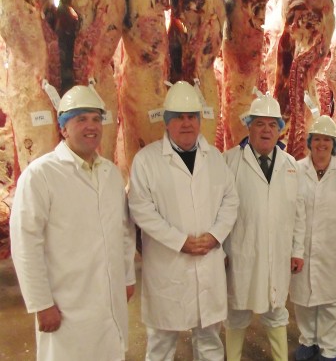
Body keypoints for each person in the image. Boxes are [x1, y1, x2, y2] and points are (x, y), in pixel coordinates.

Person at [10, 85, 136, 361]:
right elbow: (25, 244)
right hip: (66, 305)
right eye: (81, 119)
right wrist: (41, 304)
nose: (91, 126)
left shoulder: (111, 173)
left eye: (95, 119)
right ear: (64, 128)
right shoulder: (40, 175)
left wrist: (127, 278)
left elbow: (124, 232)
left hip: (109, 301)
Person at [128, 80, 239, 361]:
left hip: (208, 261)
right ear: (167, 122)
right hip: (169, 266)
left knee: (210, 338)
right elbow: (141, 209)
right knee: (161, 343)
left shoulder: (214, 158)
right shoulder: (146, 160)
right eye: (179, 117)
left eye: (191, 117)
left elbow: (231, 201)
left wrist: (215, 236)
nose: (186, 123)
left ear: (199, 121)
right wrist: (180, 242)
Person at [223, 90, 305, 361]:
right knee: (236, 312)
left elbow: (299, 213)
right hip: (240, 253)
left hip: (278, 254)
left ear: (280, 130)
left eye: (273, 125)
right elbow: (218, 213)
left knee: (277, 310)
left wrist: (297, 250)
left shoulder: (290, 165)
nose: (267, 130)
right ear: (249, 127)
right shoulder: (229, 161)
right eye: (260, 123)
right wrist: (220, 252)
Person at [290, 115, 336, 361]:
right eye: (317, 139)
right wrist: (292, 249)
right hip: (301, 249)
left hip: (333, 250)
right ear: (310, 142)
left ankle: (330, 349)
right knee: (303, 299)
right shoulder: (296, 170)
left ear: (334, 144)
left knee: (332, 302)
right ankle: (308, 340)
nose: (321, 144)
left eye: (327, 140)